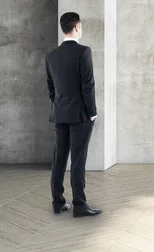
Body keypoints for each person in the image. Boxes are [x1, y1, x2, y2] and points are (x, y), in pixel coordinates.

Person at [45, 12, 101, 218]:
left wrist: (58, 105)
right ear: (77, 27)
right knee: (78, 159)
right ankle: (79, 205)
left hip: (59, 113)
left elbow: (50, 88)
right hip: (80, 115)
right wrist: (92, 112)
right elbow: (88, 85)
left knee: (59, 159)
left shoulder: (51, 55)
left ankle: (58, 202)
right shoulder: (83, 52)